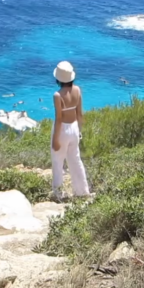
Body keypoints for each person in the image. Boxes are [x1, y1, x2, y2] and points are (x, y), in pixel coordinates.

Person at [51, 61, 91, 200]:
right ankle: (82, 191)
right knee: (75, 160)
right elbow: (80, 114)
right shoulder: (78, 90)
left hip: (62, 130)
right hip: (74, 128)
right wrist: (79, 131)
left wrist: (55, 140)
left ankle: (59, 194)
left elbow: (59, 119)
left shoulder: (57, 95)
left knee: (57, 162)